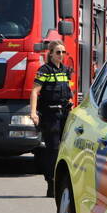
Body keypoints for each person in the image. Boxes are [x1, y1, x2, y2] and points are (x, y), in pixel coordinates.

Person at [30, 42, 73, 197]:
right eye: (58, 52)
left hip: (64, 114)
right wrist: (33, 113)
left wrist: (71, 103)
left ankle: (62, 182)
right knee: (53, 149)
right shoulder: (44, 70)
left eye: (63, 52)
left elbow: (69, 89)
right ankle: (51, 182)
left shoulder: (65, 70)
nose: (61, 55)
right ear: (51, 54)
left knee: (65, 149)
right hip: (50, 115)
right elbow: (35, 92)